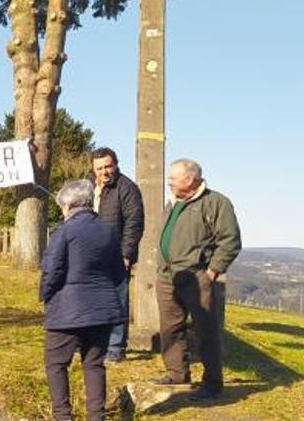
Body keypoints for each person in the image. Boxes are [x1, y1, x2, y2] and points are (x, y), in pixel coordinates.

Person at [37, 179, 127, 421]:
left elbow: (51, 270)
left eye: (62, 206)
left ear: (69, 204)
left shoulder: (63, 232)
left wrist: (45, 295)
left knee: (56, 364)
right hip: (102, 308)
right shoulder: (108, 231)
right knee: (94, 364)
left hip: (68, 309)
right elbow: (118, 272)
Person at [151, 159, 242, 401]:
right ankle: (177, 372)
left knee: (206, 330)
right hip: (167, 276)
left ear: (190, 180)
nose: (168, 181)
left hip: (197, 277)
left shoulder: (216, 203)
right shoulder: (173, 202)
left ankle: (212, 383)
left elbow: (230, 241)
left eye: (173, 178)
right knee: (170, 328)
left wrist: (211, 272)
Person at [87, 147, 144, 363]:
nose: (104, 172)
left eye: (108, 166)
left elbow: (134, 223)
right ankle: (92, 343)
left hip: (116, 255)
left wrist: (126, 254)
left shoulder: (127, 188)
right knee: (91, 299)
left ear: (116, 164)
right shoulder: (89, 186)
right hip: (90, 254)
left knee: (117, 301)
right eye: (99, 168)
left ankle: (115, 348)